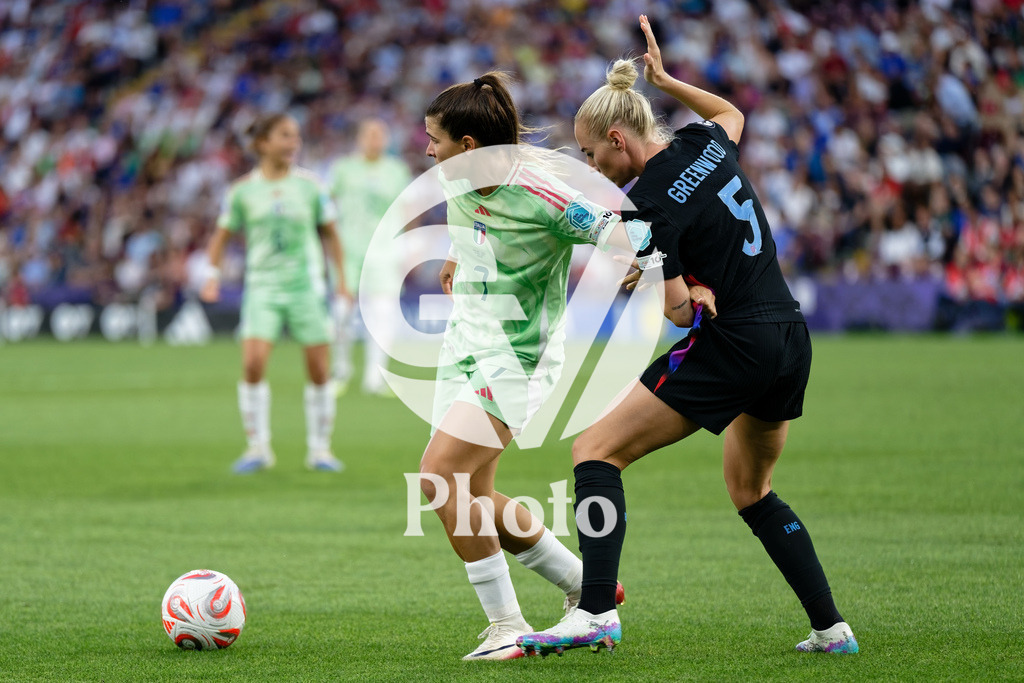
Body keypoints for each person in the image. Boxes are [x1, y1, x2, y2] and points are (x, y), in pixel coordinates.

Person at [518, 16, 858, 657]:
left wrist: (669, 284)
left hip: (737, 342)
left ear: (618, 139)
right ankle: (831, 629)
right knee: (750, 490)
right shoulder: (704, 142)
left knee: (594, 451)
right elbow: (733, 113)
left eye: (593, 155)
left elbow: (678, 314)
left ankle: (594, 611)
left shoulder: (644, 204)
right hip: (788, 334)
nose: (595, 168)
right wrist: (669, 80)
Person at [418, 72, 713, 661]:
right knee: (475, 493)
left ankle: (505, 628)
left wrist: (678, 279)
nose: (427, 149)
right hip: (464, 346)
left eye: (435, 139)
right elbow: (476, 221)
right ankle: (584, 584)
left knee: (439, 479)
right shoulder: (457, 177)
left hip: (516, 359)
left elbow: (625, 233)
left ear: (470, 145)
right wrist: (458, 253)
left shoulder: (540, 196)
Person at [201, 113, 351, 474]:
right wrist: (211, 275)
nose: (293, 143)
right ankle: (258, 447)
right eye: (284, 135)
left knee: (319, 370)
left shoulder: (312, 187)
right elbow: (220, 236)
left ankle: (320, 450)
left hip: (306, 286)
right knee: (252, 363)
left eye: (296, 136)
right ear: (263, 143)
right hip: (263, 287)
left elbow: (331, 234)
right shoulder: (241, 192)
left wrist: (341, 281)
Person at [326, 119, 412, 395]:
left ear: (386, 140)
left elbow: (407, 211)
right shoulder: (343, 169)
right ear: (360, 138)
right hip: (348, 251)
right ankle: (341, 370)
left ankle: (375, 378)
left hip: (385, 252)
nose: (375, 140)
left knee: (383, 314)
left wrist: (407, 248)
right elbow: (328, 210)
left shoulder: (396, 170)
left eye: (379, 135)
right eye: (369, 134)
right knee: (341, 312)